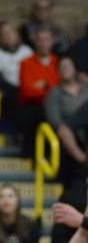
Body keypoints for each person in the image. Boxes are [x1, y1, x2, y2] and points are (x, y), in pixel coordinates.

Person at [45, 56, 88, 184]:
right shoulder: (54, 94)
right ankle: (83, 160)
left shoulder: (86, 88)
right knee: (65, 130)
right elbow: (57, 124)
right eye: (62, 67)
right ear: (57, 72)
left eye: (68, 66)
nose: (65, 69)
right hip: (70, 133)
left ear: (75, 70)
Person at [18, 27, 60, 156]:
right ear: (35, 42)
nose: (43, 43)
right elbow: (27, 91)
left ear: (52, 41)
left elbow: (61, 88)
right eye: (39, 40)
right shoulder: (26, 63)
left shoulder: (59, 62)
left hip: (57, 106)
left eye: (46, 40)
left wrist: (44, 85)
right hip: (33, 107)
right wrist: (50, 87)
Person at [0, 21, 32, 125]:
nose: (8, 36)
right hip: (9, 95)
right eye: (4, 33)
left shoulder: (27, 51)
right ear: (0, 37)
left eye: (10, 32)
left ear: (16, 34)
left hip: (27, 90)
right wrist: (19, 91)